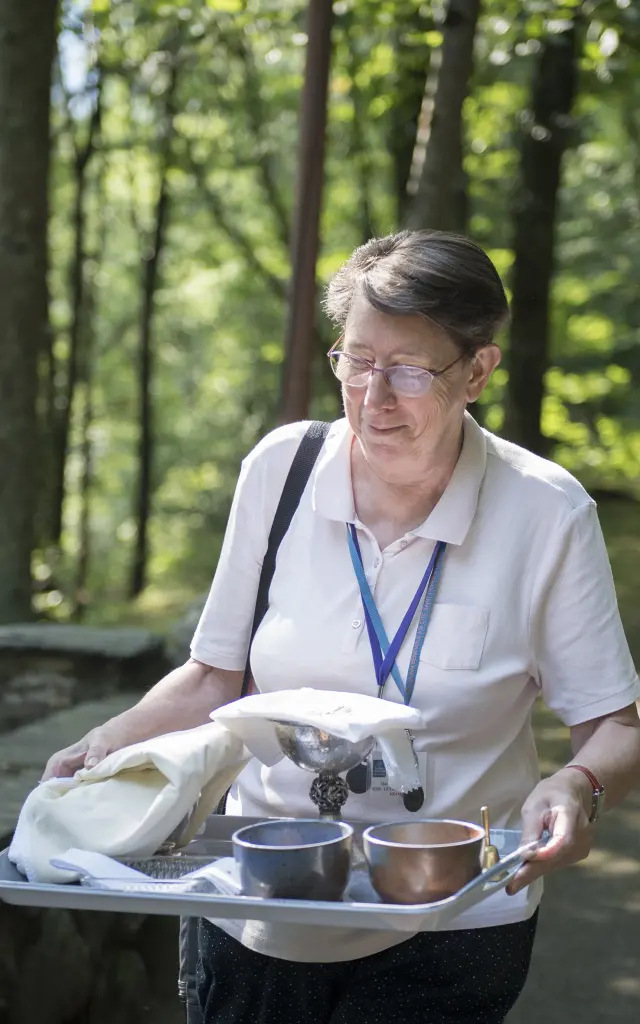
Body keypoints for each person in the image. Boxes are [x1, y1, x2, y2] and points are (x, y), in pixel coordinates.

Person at [44, 230, 640, 1024]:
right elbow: (216, 673)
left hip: (449, 918)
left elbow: (614, 724)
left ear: (478, 372)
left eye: (407, 370)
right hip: (261, 907)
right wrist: (106, 743)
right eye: (356, 361)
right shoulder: (281, 471)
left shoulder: (547, 510)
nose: (373, 396)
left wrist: (576, 785)